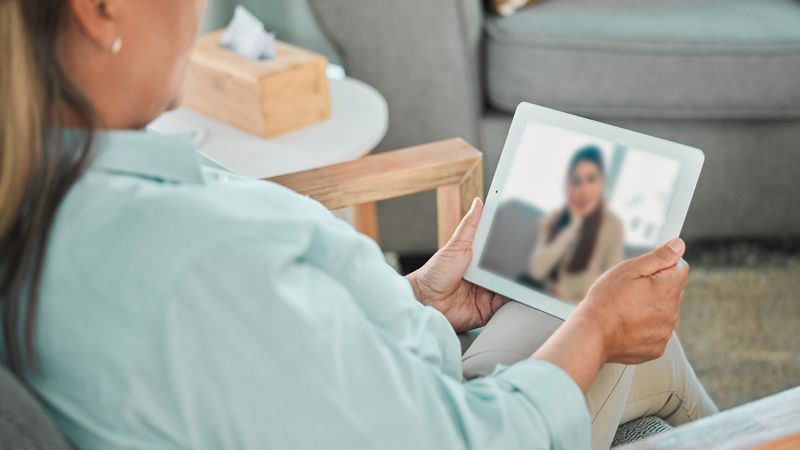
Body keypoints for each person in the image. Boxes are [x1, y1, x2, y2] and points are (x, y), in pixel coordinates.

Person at [0, 1, 716, 449]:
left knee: (591, 305)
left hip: (409, 373)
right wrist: (594, 332)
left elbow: (269, 357)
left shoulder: (53, 187)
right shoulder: (187, 263)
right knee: (626, 329)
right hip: (454, 418)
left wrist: (415, 299)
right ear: (100, 9)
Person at [528, 145, 625, 303]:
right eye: (576, 181)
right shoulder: (554, 218)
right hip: (540, 302)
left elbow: (613, 287)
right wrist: (574, 225)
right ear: (568, 185)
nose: (584, 190)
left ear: (602, 183)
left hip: (577, 312)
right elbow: (537, 271)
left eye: (591, 179)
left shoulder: (612, 225)